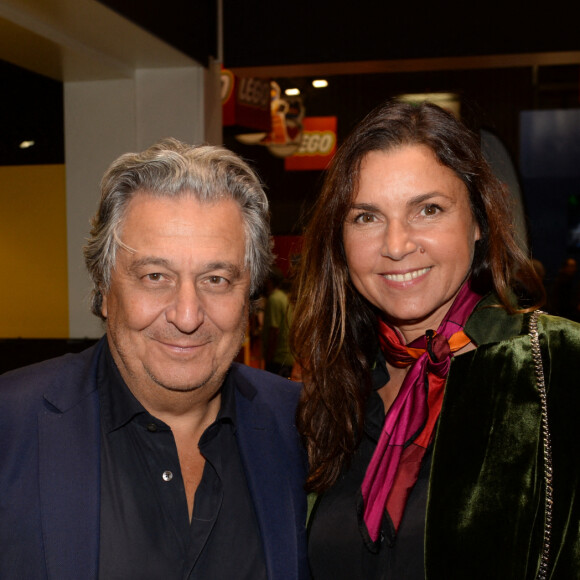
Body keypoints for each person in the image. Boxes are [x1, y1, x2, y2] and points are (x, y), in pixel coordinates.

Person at [290, 100, 580, 579]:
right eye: (367, 216)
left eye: (428, 209)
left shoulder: (558, 365)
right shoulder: (332, 389)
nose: (397, 245)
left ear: (479, 220)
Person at [0, 139, 308, 580]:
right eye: (155, 276)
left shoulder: (303, 427)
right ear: (105, 290)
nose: (187, 315)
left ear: (249, 296)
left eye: (216, 279)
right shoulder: (10, 426)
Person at [262, 265, 295, 377]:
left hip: (278, 358)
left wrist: (269, 357)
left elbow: (274, 330)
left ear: (269, 281)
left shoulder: (274, 299)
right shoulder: (283, 297)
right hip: (286, 356)